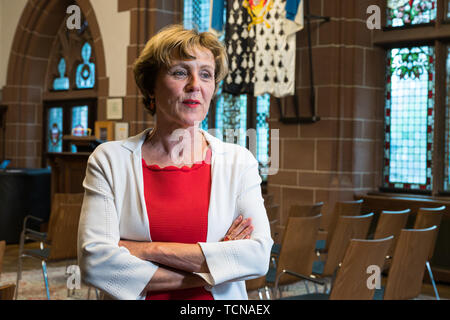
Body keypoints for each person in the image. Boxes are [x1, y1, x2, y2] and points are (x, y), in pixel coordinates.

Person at [77, 24, 273, 300]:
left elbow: (258, 256)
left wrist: (146, 249)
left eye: (206, 74)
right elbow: (94, 264)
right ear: (151, 87)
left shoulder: (239, 162)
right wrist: (219, 263)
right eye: (180, 72)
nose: (195, 85)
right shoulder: (110, 160)